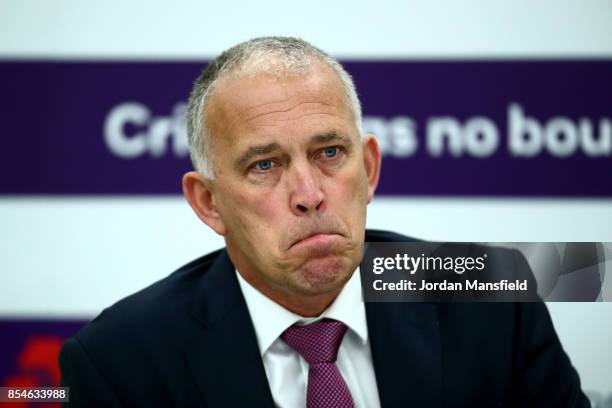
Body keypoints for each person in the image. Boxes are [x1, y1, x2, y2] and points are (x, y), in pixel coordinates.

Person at [59, 37, 590, 407]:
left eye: (331, 152)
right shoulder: (121, 362)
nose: (310, 195)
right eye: (264, 165)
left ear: (371, 168)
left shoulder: (486, 294)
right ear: (208, 203)